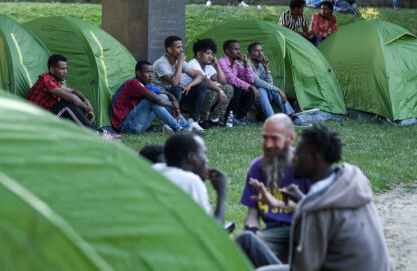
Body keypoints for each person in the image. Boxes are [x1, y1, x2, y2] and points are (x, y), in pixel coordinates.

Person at [245, 124, 393, 271]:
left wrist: (305, 205)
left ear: (315, 158)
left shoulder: (317, 210)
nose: (293, 157)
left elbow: (304, 268)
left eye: (299, 154)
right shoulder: (348, 183)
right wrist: (303, 200)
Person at [235, 114, 311, 263]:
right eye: (265, 138)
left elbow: (319, 210)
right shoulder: (257, 167)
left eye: (274, 138)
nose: (268, 144)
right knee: (246, 243)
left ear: (291, 139)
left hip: (304, 231)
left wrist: (277, 203)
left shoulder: (307, 165)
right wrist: (253, 230)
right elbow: (252, 213)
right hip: (273, 232)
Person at [27, 54, 119, 140]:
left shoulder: (52, 81)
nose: (65, 72)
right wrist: (87, 108)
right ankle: (96, 135)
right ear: (52, 70)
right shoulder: (46, 81)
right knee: (67, 105)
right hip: (37, 123)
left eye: (66, 68)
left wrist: (86, 101)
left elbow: (74, 91)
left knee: (73, 102)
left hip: (45, 118)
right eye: (62, 69)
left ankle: (100, 133)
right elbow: (72, 98)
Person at [152, 133, 227, 224]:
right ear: (191, 157)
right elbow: (214, 232)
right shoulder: (191, 181)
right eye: (204, 153)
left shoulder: (155, 170)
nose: (207, 160)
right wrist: (221, 192)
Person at [111, 61, 197, 134]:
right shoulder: (133, 83)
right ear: (138, 73)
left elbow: (165, 92)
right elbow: (157, 100)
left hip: (139, 125)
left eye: (152, 72)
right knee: (153, 101)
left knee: (162, 96)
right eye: (147, 72)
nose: (151, 75)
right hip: (126, 127)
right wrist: (173, 104)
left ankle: (187, 127)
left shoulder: (146, 85)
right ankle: (178, 129)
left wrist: (174, 100)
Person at [151, 35, 205, 131]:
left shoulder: (179, 60)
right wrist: (180, 63)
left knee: (201, 86)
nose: (181, 50)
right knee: (177, 89)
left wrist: (189, 85)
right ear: (169, 50)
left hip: (175, 94)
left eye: (182, 47)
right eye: (178, 47)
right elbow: (174, 82)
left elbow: (200, 75)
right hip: (162, 95)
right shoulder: (161, 63)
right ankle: (169, 121)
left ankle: (193, 121)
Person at [186, 39, 233, 129]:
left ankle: (214, 118)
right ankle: (202, 119)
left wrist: (217, 64)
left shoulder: (208, 66)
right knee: (212, 91)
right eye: (208, 53)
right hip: (190, 96)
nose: (211, 57)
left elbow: (222, 81)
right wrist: (220, 91)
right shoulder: (193, 64)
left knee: (228, 88)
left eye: (211, 54)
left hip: (201, 95)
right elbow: (205, 81)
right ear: (199, 54)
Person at [248, 43, 295, 119]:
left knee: (272, 90)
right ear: (250, 54)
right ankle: (272, 119)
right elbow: (257, 81)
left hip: (262, 97)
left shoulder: (260, 66)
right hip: (250, 97)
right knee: (262, 90)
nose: (260, 53)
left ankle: (291, 115)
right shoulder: (247, 64)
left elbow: (269, 84)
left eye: (261, 50)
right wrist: (279, 90)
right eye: (256, 51)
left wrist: (266, 68)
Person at [218, 40, 258, 126]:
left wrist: (246, 63)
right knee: (238, 88)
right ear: (227, 51)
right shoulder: (221, 62)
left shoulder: (236, 63)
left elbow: (250, 80)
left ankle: (241, 117)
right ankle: (231, 117)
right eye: (235, 49)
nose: (239, 52)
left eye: (239, 49)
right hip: (222, 88)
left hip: (232, 88)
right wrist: (250, 86)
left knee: (249, 90)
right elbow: (230, 79)